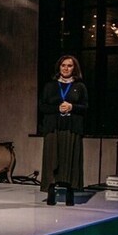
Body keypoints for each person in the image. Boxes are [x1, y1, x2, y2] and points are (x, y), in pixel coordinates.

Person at [39, 54, 88, 205]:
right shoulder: (50, 86)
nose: (66, 68)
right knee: (52, 159)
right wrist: (57, 108)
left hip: (71, 128)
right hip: (53, 128)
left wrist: (72, 107)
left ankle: (70, 192)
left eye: (69, 65)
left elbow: (86, 107)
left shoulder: (80, 86)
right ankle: (51, 191)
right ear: (59, 67)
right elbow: (42, 106)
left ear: (74, 68)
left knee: (70, 159)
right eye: (63, 65)